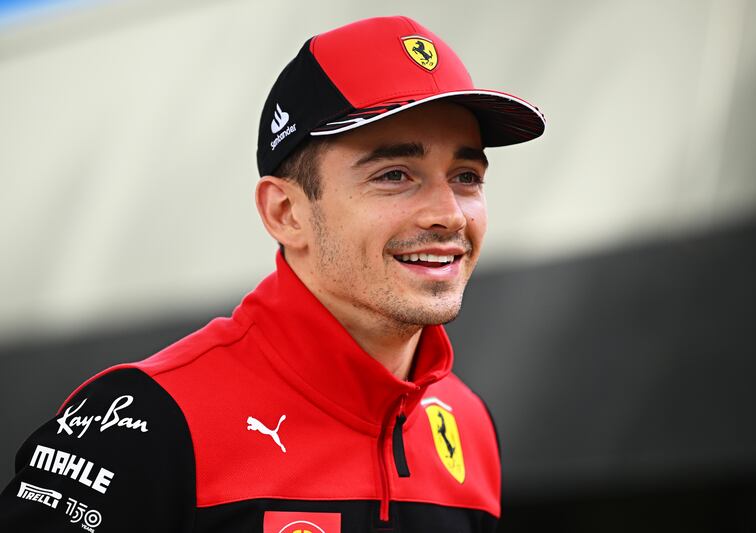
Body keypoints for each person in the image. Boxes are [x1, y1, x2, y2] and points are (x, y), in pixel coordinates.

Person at [0, 15, 544, 533]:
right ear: (286, 214)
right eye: (395, 175)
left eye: (466, 175)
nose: (448, 213)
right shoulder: (145, 420)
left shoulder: (469, 426)